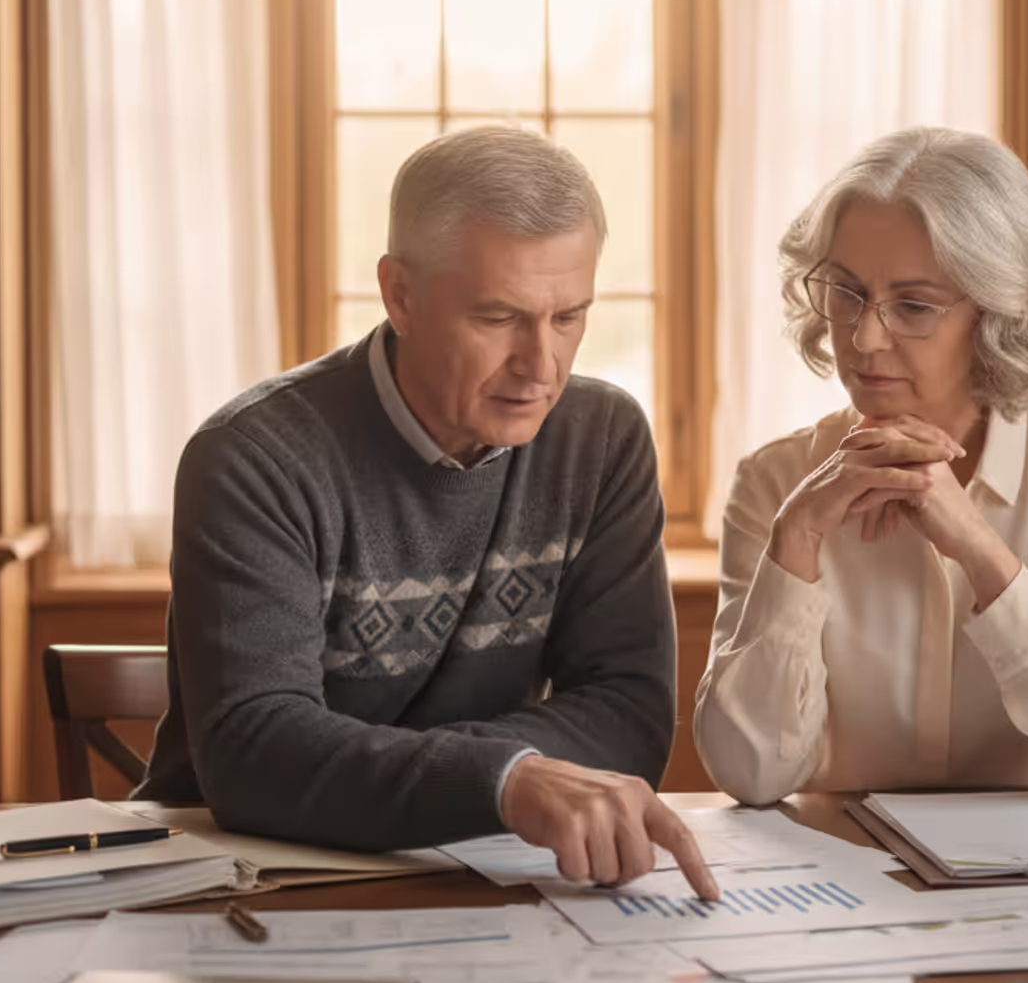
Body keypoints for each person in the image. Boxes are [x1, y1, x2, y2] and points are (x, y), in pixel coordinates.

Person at [140, 126, 717, 899]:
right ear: (401, 295)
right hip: (245, 882)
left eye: (569, 317)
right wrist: (506, 780)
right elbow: (254, 754)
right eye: (498, 317)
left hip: (485, 872)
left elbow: (629, 718)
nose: (540, 367)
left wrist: (405, 773)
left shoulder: (602, 439)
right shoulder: (253, 457)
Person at [694, 127, 1028, 808]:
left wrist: (980, 550)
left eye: (914, 306)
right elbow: (749, 775)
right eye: (845, 291)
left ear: (997, 315)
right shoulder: (773, 483)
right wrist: (796, 539)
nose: (862, 338)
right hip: (844, 889)